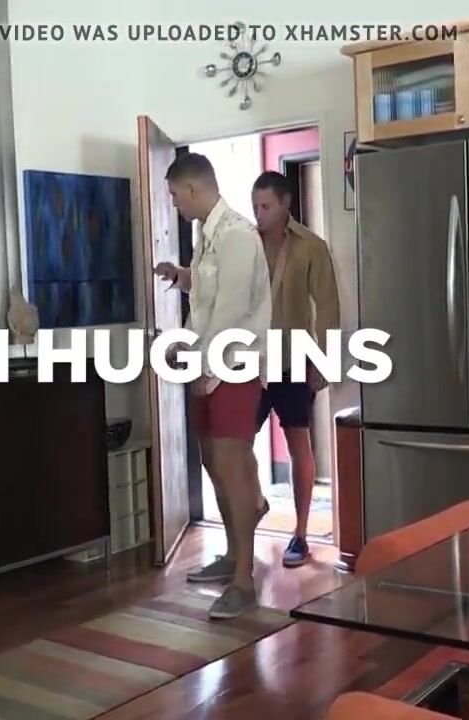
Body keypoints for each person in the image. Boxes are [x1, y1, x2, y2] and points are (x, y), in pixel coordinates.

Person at [153, 152, 271, 620]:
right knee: (214, 465)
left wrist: (202, 361)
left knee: (231, 466)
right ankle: (232, 555)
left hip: (232, 367)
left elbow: (230, 311)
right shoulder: (208, 234)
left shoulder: (238, 235)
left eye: (174, 195)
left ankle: (244, 581)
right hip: (206, 365)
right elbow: (206, 301)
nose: (174, 204)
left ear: (193, 189)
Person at [249, 170, 341, 568]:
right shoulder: (246, 244)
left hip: (293, 361)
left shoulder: (311, 247)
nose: (259, 214)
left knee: (298, 445)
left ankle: (301, 535)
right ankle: (255, 503)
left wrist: (324, 361)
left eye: (265, 206)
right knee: (233, 444)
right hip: (251, 362)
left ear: (285, 203)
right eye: (255, 206)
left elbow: (328, 307)